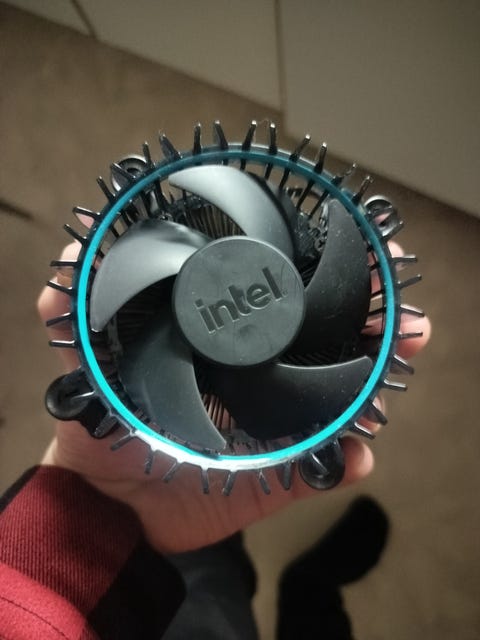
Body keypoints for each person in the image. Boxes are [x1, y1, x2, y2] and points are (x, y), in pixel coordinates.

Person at [0, 240, 431, 639]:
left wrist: (84, 509)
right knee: (217, 588)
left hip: (82, 587)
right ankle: (312, 587)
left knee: (208, 576)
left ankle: (301, 584)